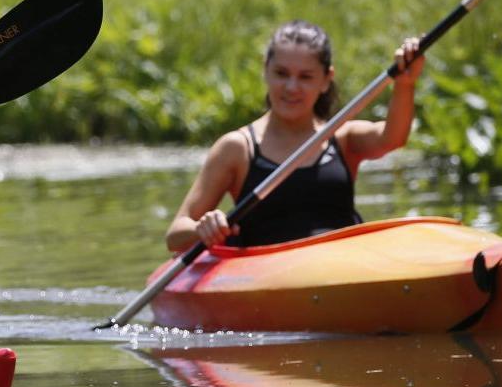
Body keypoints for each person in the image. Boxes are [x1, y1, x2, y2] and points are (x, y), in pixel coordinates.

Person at [165, 21, 425, 251]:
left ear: (326, 80)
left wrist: (404, 85)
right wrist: (203, 229)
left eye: (305, 77)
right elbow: (176, 235)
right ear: (265, 70)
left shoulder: (343, 138)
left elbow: (393, 138)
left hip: (342, 270)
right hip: (270, 280)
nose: (291, 87)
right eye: (281, 74)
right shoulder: (236, 148)